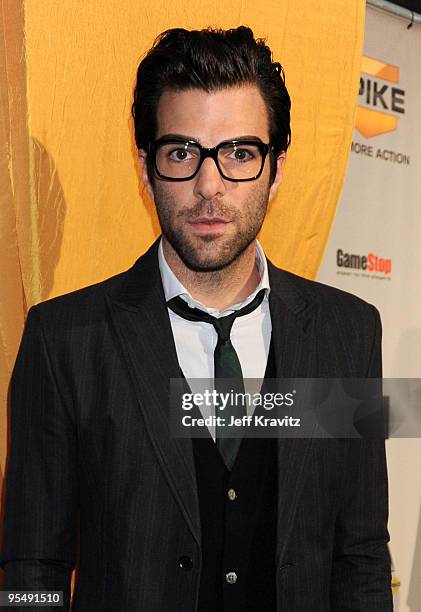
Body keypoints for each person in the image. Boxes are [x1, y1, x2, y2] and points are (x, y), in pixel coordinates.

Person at [1, 26, 392, 611]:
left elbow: (359, 556)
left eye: (239, 153)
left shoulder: (348, 335)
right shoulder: (63, 341)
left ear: (276, 169)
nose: (209, 186)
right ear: (146, 167)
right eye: (182, 152)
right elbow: (32, 567)